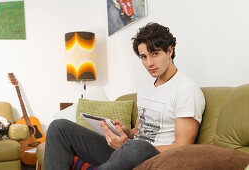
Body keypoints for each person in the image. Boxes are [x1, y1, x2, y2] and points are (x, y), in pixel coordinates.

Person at [44, 22, 205, 170]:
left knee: (137, 147)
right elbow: (138, 129)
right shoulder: (145, 88)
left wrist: (127, 145)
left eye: (155, 54)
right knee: (59, 127)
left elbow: (183, 146)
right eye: (143, 57)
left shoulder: (186, 90)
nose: (149, 63)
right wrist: (126, 132)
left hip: (152, 157)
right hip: (127, 151)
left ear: (169, 51)